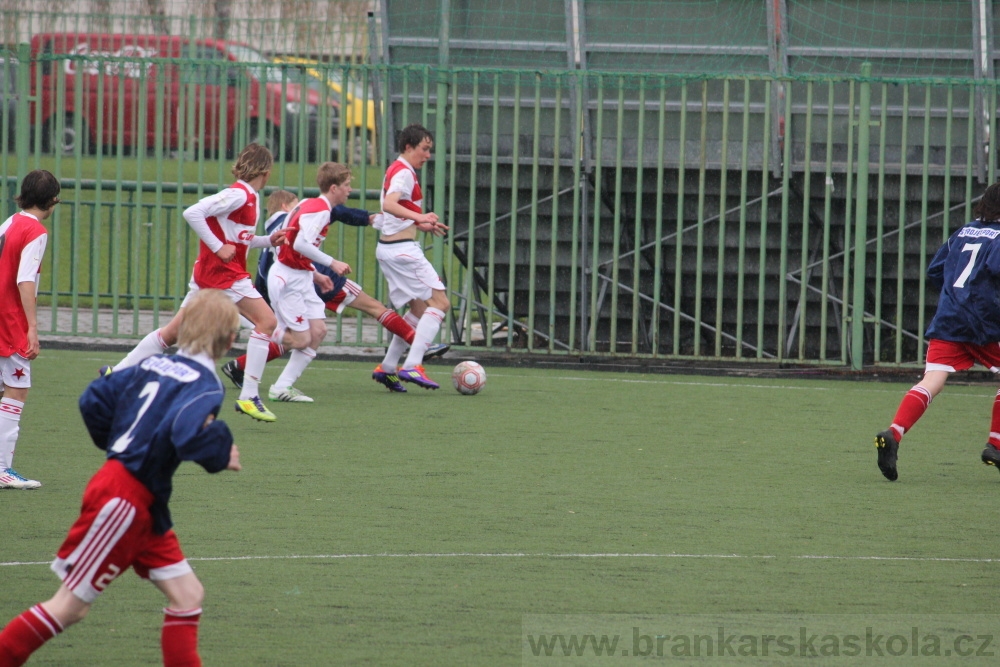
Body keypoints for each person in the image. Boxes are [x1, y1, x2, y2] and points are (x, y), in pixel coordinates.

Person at [0, 288, 242, 666]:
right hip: (124, 500)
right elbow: (186, 430)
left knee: (187, 595)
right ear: (230, 340)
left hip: (145, 501)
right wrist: (219, 450)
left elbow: (93, 399)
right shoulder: (206, 384)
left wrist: (117, 443)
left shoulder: (151, 365)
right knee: (69, 607)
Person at [101, 143, 285, 423]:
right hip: (224, 276)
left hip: (213, 275)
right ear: (267, 172)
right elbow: (193, 212)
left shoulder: (249, 197)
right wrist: (218, 246)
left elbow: (238, 241)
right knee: (267, 323)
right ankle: (249, 395)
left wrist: (267, 241)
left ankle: (118, 373)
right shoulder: (238, 194)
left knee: (171, 334)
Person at [221, 187, 448, 395]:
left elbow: (266, 265)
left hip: (288, 281)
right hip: (308, 276)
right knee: (375, 307)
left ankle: (241, 366)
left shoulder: (273, 225)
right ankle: (417, 343)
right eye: (295, 203)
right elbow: (313, 233)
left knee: (304, 335)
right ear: (285, 206)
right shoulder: (302, 215)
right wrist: (366, 222)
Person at [875, 182, 1000, 481]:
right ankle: (995, 444)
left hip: (949, 318)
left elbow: (935, 270)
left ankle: (894, 433)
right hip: (985, 322)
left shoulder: (962, 233)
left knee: (933, 379)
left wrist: (958, 296)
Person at [371, 123, 450, 390]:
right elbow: (389, 204)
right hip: (402, 252)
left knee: (418, 308)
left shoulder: (399, 169)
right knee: (439, 303)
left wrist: (419, 225)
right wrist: (420, 216)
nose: (428, 155)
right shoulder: (404, 172)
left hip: (390, 249)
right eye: (424, 149)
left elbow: (395, 210)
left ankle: (388, 367)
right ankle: (413, 365)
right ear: (408, 147)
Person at [0, 170, 60, 490]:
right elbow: (25, 280)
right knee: (16, 389)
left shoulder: (10, 222)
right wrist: (32, 328)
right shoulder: (36, 231)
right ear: (52, 201)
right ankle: (2, 469)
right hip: (9, 320)